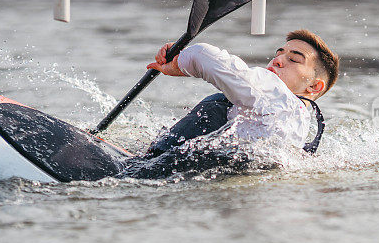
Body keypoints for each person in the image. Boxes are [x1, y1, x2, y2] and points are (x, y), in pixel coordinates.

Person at [126, 29, 338, 177]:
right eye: (279, 53)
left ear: (314, 87)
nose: (278, 60)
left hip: (155, 173)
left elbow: (203, 55)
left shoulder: (277, 95)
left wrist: (179, 62)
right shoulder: (298, 124)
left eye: (294, 60)